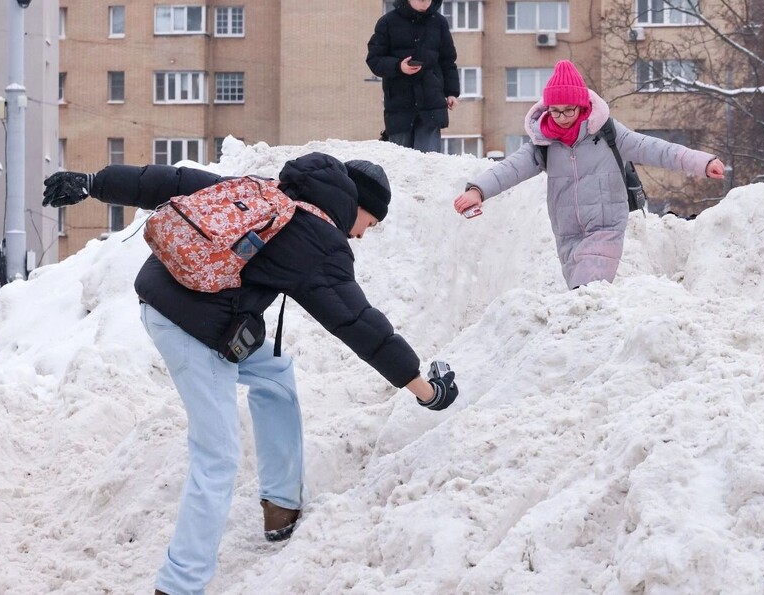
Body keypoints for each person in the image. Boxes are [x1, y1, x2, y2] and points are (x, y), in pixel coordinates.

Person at [41, 153, 459, 595]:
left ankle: (281, 503)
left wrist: (92, 181)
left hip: (176, 298)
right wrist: (424, 388)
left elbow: (173, 181)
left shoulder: (268, 191)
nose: (363, 235)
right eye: (370, 224)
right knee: (217, 454)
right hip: (193, 327)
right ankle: (180, 584)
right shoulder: (319, 242)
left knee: (274, 374)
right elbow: (358, 323)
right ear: (357, 205)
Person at [452, 60, 727, 290]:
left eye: (568, 110)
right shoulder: (544, 144)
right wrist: (478, 190)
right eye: (555, 111)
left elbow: (654, 148)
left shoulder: (608, 133)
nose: (561, 117)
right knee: (581, 301)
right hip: (567, 234)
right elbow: (509, 168)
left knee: (588, 290)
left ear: (582, 106)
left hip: (605, 228)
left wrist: (702, 162)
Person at [366, 0, 460, 153]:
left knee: (429, 163)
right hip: (400, 105)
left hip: (431, 102)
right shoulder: (388, 23)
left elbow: (448, 60)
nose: (426, 4)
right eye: (421, 0)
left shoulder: (439, 23)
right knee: (401, 161)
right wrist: (398, 66)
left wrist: (452, 92)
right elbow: (374, 59)